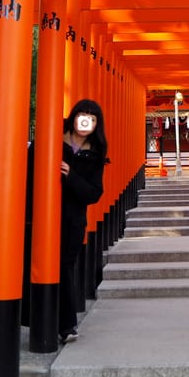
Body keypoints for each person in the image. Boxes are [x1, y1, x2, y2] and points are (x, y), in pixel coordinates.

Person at [58, 99, 108, 344]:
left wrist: (72, 176)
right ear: (73, 116)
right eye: (82, 114)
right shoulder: (53, 139)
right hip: (39, 216)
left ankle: (66, 325)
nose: (86, 120)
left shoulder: (95, 154)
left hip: (72, 220)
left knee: (64, 267)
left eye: (92, 117)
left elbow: (94, 193)